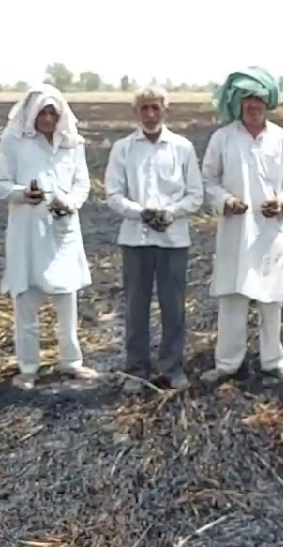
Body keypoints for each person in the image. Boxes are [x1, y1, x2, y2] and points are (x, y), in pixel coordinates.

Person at [200, 67, 283, 384]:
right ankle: (228, 363)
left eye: (259, 99)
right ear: (239, 102)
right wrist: (226, 201)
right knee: (233, 298)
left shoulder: (282, 140)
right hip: (235, 231)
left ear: (267, 103)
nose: (253, 105)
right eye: (248, 99)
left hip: (271, 233)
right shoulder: (223, 138)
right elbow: (208, 181)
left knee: (271, 299)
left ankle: (273, 360)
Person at [0, 85, 98, 390]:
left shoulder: (72, 144)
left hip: (62, 230)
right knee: (26, 301)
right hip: (27, 232)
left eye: (53, 113)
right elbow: (1, 185)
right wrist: (24, 194)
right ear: (32, 114)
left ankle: (71, 362)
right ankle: (28, 367)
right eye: (42, 112)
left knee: (67, 300)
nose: (48, 119)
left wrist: (70, 202)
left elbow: (82, 184)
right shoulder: (13, 142)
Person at [105, 85, 204, 392]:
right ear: (136, 112)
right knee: (136, 307)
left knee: (173, 306)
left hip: (173, 240)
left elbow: (195, 195)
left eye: (155, 108)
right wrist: (142, 213)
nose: (149, 114)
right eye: (144, 108)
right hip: (136, 239)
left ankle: (172, 368)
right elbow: (113, 194)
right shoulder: (123, 148)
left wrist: (170, 213)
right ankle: (136, 370)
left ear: (165, 110)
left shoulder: (182, 147)